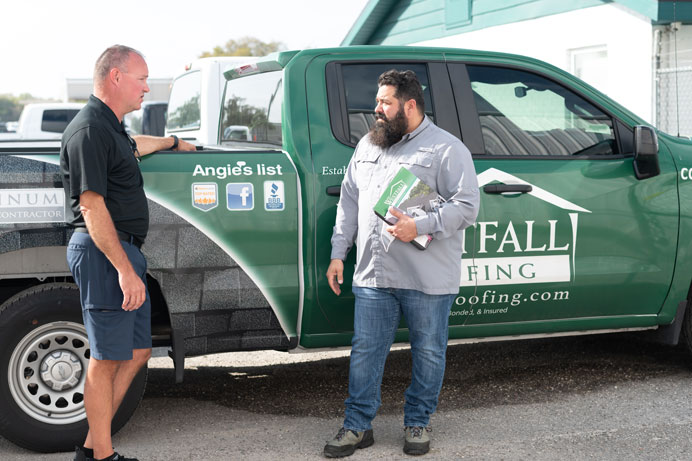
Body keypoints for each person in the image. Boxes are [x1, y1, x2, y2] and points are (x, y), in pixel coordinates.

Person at [324, 69, 479, 458]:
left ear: (409, 105)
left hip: (426, 277)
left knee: (428, 351)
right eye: (378, 101)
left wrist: (421, 225)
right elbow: (348, 202)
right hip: (373, 273)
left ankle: (418, 421)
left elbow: (467, 206)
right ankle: (357, 425)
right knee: (365, 352)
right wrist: (337, 253)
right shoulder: (367, 146)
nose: (377, 108)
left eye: (385, 102)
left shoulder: (447, 148)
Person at [60, 45, 195, 461]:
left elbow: (136, 145)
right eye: (141, 78)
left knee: (136, 353)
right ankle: (102, 455)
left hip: (123, 253)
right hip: (106, 255)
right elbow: (91, 204)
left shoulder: (111, 127)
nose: (147, 88)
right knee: (105, 358)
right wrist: (124, 269)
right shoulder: (89, 130)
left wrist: (173, 141)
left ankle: (90, 448)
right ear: (115, 77)